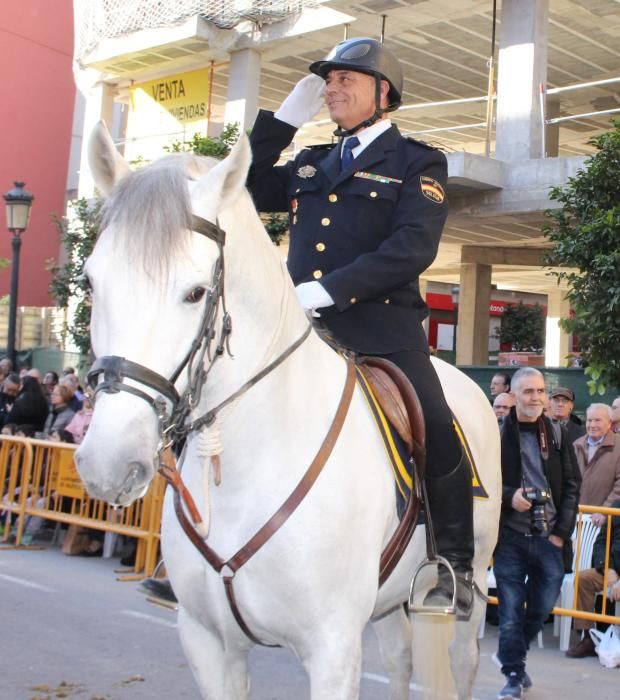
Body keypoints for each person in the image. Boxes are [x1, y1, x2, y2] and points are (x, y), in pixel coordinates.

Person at [247, 36, 474, 615]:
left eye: (346, 79)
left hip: (380, 328)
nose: (331, 88)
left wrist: (329, 289)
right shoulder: (311, 162)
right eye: (329, 80)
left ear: (383, 92)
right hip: (302, 332)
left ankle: (455, 563)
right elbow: (246, 189)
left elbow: (413, 246)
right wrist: (280, 123)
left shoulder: (417, 162)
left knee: (438, 424)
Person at [494, 367, 580, 699]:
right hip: (511, 539)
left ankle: (509, 655)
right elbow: (483, 482)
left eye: (541, 391)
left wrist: (561, 533)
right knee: (511, 611)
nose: (537, 398)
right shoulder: (497, 434)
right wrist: (509, 497)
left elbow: (573, 485)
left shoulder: (557, 434)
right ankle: (513, 674)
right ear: (514, 396)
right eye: (529, 391)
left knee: (541, 608)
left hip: (550, 538)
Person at [565, 497, 620, 657]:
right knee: (583, 579)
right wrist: (607, 568)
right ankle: (588, 638)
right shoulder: (616, 507)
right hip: (612, 571)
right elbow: (600, 543)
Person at [573, 403, 620, 527]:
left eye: (598, 420)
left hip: (604, 521)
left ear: (609, 423)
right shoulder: (577, 445)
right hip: (575, 517)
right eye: (589, 420)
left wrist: (604, 511)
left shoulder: (618, 446)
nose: (592, 425)